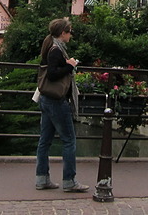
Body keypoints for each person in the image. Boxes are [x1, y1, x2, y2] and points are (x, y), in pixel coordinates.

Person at [35, 18, 88, 193]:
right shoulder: (56, 50)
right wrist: (70, 66)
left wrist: (65, 65)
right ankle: (69, 180)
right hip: (56, 100)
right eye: (69, 31)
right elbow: (52, 74)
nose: (71, 35)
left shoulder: (50, 46)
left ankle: (42, 179)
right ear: (63, 33)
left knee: (45, 140)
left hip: (46, 98)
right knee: (69, 140)